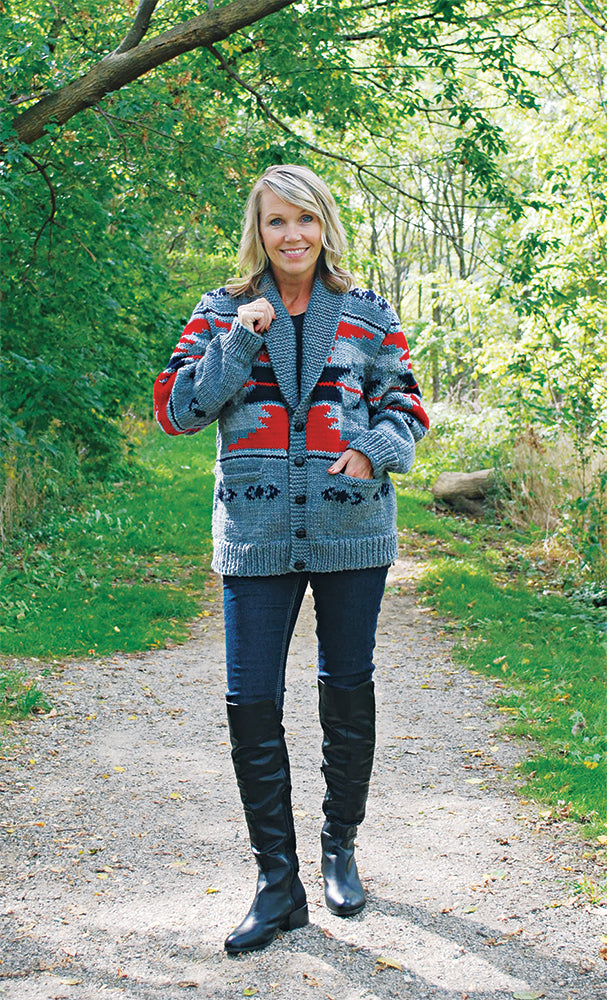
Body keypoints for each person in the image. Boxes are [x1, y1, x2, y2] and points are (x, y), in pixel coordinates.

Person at [153, 164, 429, 955]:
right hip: (255, 533)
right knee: (250, 701)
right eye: (276, 221)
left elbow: (407, 405)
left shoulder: (368, 311)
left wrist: (373, 450)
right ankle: (278, 883)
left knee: (346, 689)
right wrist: (241, 338)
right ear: (259, 230)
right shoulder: (220, 310)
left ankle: (340, 848)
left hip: (350, 530)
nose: (292, 234)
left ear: (323, 224)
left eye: (304, 218)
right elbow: (176, 409)